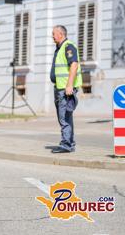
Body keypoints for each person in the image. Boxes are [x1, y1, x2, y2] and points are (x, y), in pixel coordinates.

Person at [50, 25, 81, 153]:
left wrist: (69, 85)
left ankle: (66, 144)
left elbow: (74, 64)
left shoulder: (68, 46)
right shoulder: (59, 48)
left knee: (64, 117)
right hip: (59, 87)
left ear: (60, 34)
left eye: (53, 34)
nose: (52, 36)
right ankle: (69, 142)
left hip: (65, 88)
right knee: (65, 116)